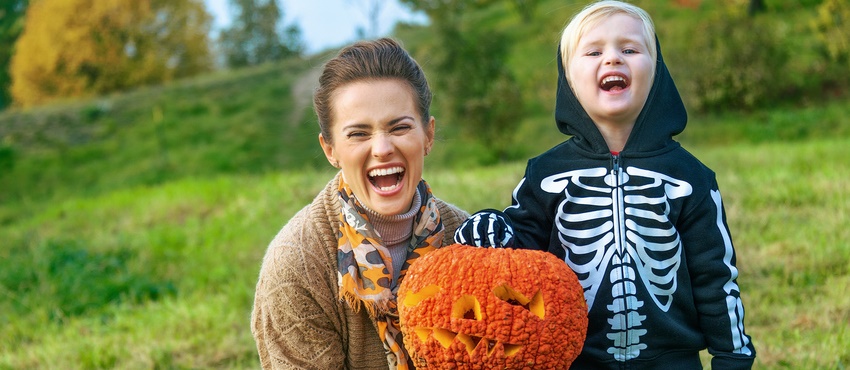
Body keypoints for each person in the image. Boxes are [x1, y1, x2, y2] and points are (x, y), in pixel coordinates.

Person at [453, 1, 756, 369]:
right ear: (568, 77)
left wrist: (733, 356)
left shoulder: (690, 177)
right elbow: (520, 252)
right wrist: (494, 227)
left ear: (657, 69)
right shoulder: (545, 174)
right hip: (572, 359)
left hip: (673, 362)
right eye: (594, 51)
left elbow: (715, 276)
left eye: (630, 49)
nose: (612, 59)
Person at [251, 38, 469, 370]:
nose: (382, 148)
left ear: (428, 135)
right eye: (358, 134)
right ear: (330, 150)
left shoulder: (467, 240)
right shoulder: (297, 265)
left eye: (399, 127)